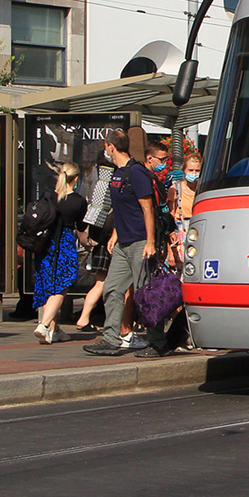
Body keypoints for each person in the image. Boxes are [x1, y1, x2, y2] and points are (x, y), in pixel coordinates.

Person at [83, 130, 154, 356]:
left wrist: (150, 241)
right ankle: (111, 339)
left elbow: (147, 208)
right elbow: (122, 210)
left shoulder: (136, 172)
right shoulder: (118, 173)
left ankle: (157, 341)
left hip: (140, 242)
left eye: (106, 146)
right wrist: (115, 233)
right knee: (112, 288)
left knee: (144, 293)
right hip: (123, 242)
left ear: (110, 147)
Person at [138, 141, 187, 358]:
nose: (164, 164)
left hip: (154, 241)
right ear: (150, 158)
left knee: (151, 291)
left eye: (166, 160)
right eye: (162, 160)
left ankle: (156, 339)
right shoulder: (145, 179)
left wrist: (168, 236)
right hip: (148, 240)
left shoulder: (156, 182)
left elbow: (163, 212)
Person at [33, 163, 88, 344]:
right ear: (76, 179)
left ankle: (54, 330)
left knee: (48, 285)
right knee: (61, 286)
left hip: (45, 244)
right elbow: (80, 227)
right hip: (64, 243)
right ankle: (44, 324)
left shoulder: (48, 196)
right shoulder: (78, 201)